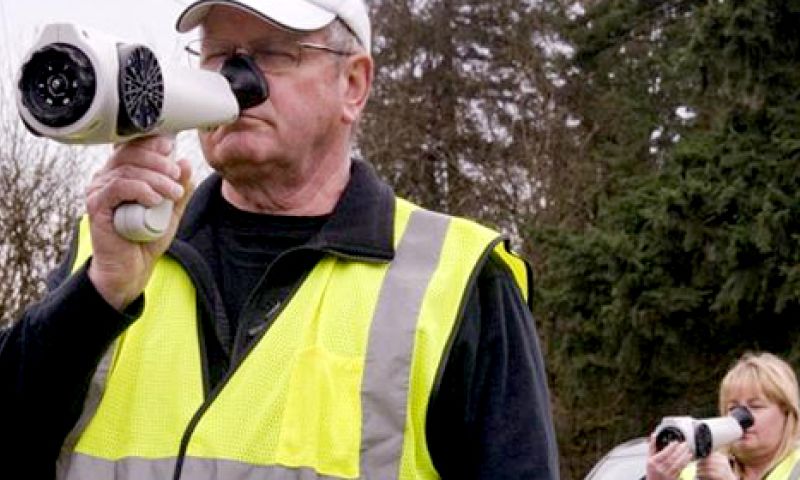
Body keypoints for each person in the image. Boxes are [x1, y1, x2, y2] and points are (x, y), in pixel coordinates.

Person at [0, 1, 559, 478]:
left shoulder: (455, 279)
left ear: (353, 84)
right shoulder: (108, 254)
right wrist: (100, 293)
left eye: (272, 54)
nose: (236, 80)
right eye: (219, 55)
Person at [646, 352, 800, 480]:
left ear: (787, 413)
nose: (741, 418)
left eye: (756, 406)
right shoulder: (693, 472)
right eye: (733, 408)